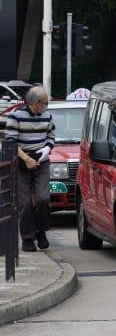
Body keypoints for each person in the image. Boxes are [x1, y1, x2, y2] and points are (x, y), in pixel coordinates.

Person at [6, 85, 55, 252]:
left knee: (43, 199)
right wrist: (26, 159)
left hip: (41, 161)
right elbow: (10, 142)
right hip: (21, 162)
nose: (46, 107)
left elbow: (51, 135)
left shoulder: (47, 116)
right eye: (44, 103)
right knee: (25, 202)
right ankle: (27, 238)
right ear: (34, 103)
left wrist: (47, 149)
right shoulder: (16, 116)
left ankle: (41, 231)